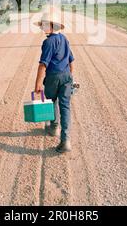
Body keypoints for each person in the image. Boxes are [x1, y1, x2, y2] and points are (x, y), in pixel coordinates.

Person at [34, 8, 74, 153]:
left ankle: (54, 127)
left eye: (45, 24)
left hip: (53, 77)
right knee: (65, 107)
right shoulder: (64, 39)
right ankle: (65, 140)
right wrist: (70, 76)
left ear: (52, 26)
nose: (43, 27)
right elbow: (71, 59)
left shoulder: (48, 42)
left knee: (51, 100)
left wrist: (38, 83)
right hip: (66, 76)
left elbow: (43, 64)